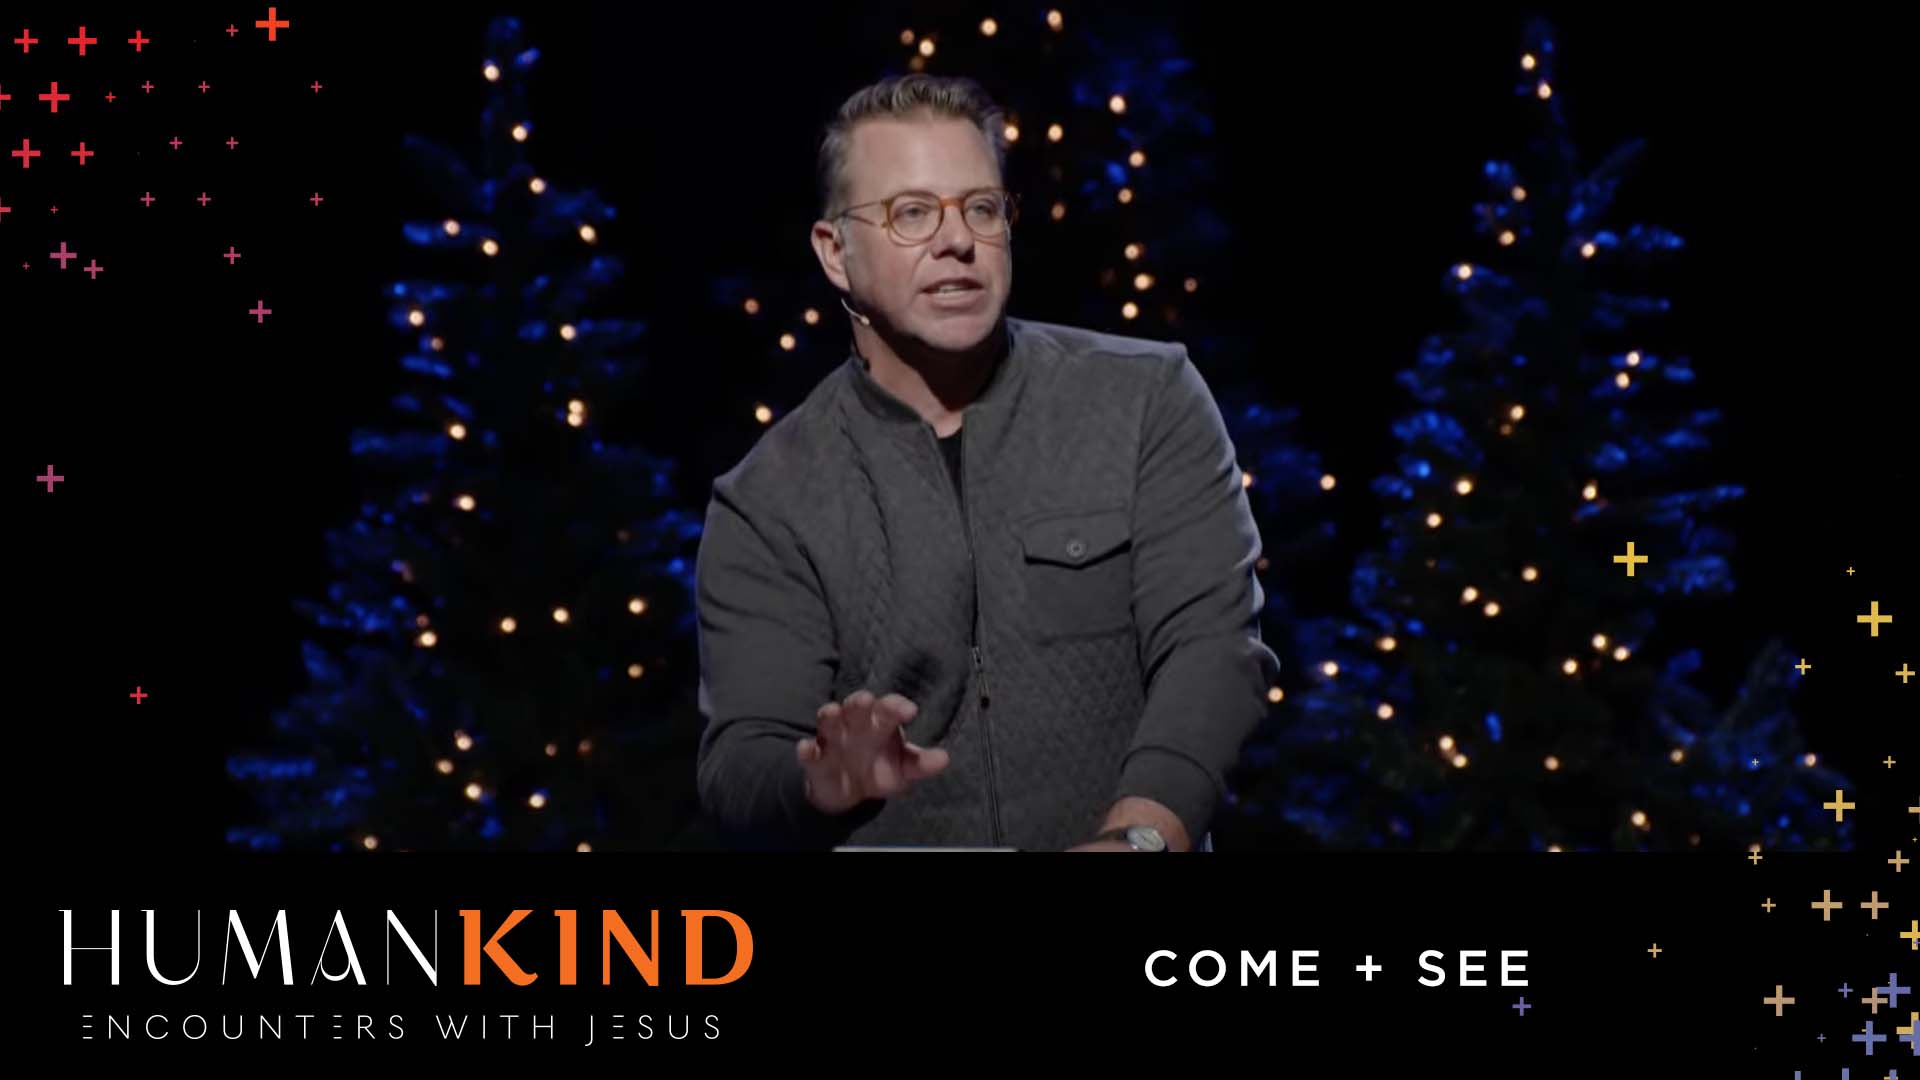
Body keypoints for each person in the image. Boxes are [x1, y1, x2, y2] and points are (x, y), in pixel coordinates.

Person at [693, 73, 1279, 852]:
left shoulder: (1147, 398)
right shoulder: (769, 497)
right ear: (835, 253)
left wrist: (1140, 837)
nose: (957, 240)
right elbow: (739, 765)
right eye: (911, 213)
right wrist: (817, 778)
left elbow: (1215, 651)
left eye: (981, 207)